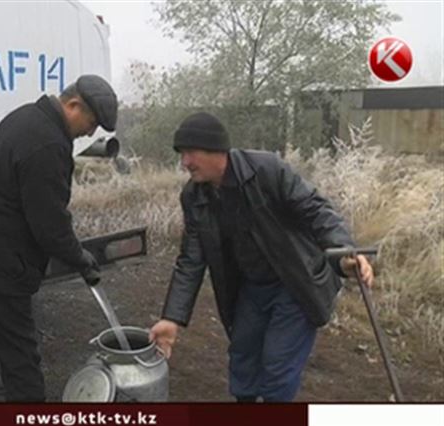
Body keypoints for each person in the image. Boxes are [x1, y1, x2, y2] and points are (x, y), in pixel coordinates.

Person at [149, 112, 374, 402]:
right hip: (252, 287)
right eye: (182, 154)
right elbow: (191, 259)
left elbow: (316, 210)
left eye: (190, 153)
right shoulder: (195, 196)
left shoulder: (265, 170)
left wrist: (344, 253)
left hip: (295, 283)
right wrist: (172, 318)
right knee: (243, 355)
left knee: (278, 367)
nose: (185, 163)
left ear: (216, 149)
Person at [0, 75, 119, 402]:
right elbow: (50, 226)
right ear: (73, 105)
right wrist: (80, 258)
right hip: (2, 262)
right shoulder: (50, 145)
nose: (90, 132)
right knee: (20, 353)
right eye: (92, 122)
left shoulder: (22, 116)